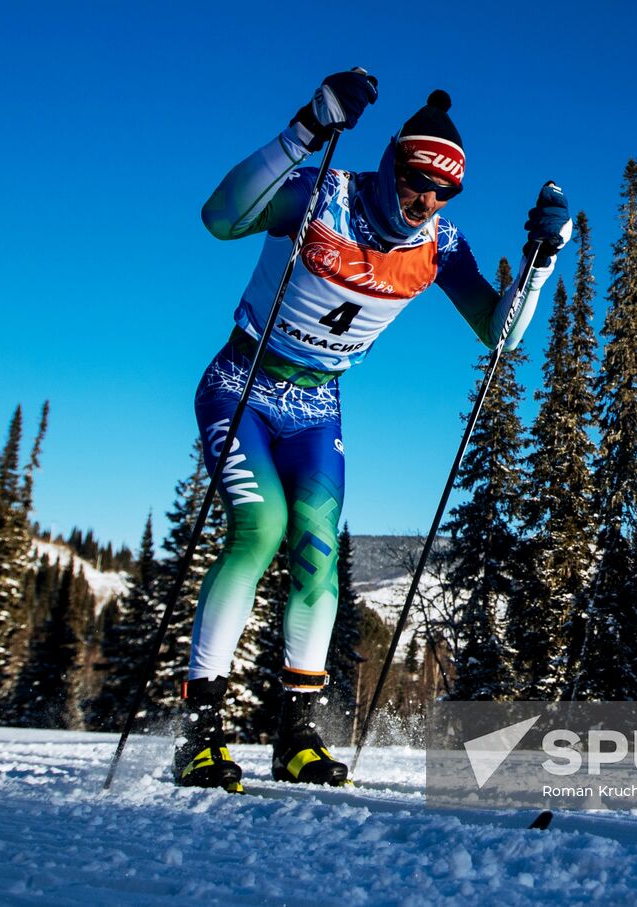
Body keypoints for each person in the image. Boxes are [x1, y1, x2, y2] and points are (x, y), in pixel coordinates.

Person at [178, 69, 571, 791]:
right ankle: (201, 731)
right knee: (259, 528)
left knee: (318, 554)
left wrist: (542, 263)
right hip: (243, 383)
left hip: (318, 406)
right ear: (393, 161)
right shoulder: (322, 193)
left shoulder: (441, 245)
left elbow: (502, 334)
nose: (425, 198)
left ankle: (293, 731)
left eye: (442, 189)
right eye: (417, 177)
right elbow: (220, 217)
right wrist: (305, 130)